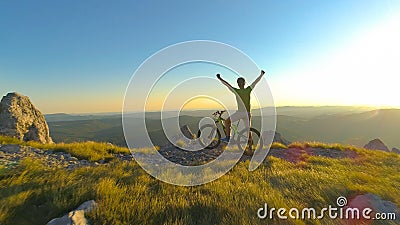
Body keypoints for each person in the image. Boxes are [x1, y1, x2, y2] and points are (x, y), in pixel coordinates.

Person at [216, 70, 266, 143]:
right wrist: (261, 75)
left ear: (238, 84)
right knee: (248, 129)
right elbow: (255, 82)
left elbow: (227, 85)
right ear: (244, 83)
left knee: (227, 122)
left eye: (239, 83)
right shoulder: (248, 90)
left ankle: (228, 138)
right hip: (248, 113)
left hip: (240, 113)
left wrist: (220, 79)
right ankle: (250, 144)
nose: (240, 84)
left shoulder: (236, 91)